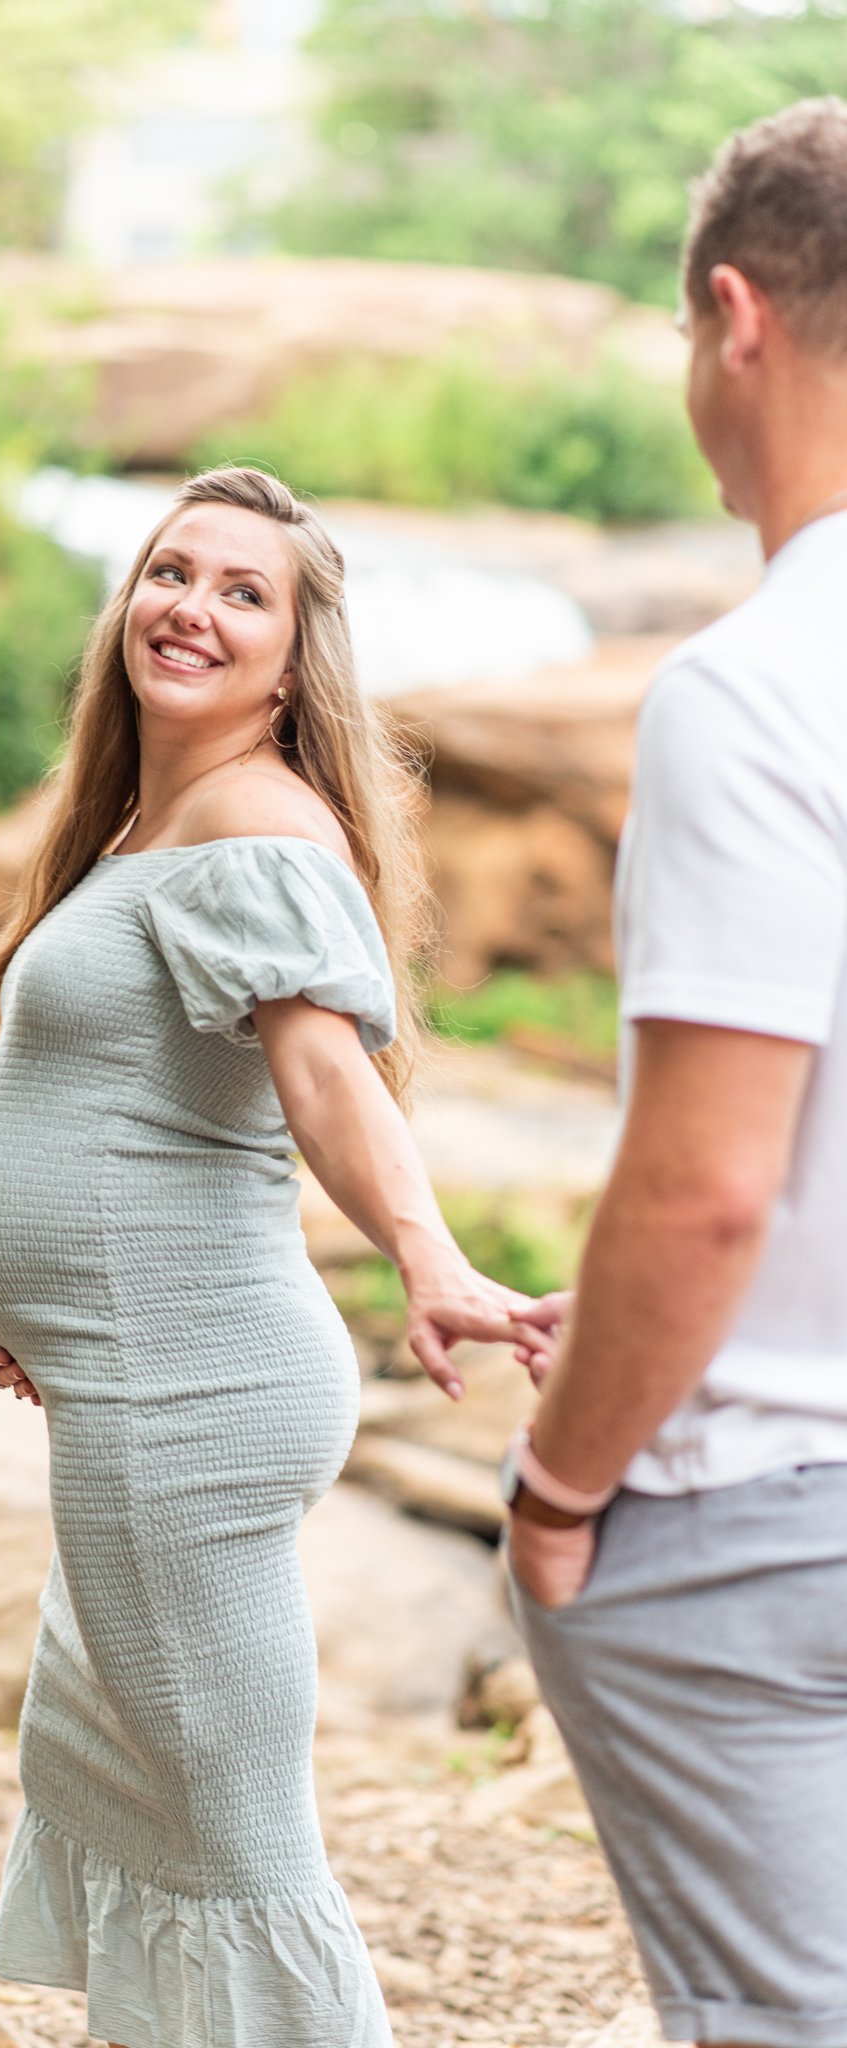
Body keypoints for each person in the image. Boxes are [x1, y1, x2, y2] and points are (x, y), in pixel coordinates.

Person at [0, 465, 550, 2048]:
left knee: (237, 1845)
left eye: (242, 593)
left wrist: (428, 1256)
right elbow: (113, 1098)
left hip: (193, 1384)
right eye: (171, 571)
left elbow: (326, 1073)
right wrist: (38, 1292)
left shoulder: (253, 822)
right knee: (129, 1786)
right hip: (138, 1369)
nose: (192, 608)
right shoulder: (150, 820)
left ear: (294, 663)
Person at [505, 97, 847, 2048]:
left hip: (764, 1521)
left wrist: (562, 1488)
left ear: (735, 316)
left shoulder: (758, 683)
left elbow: (710, 1183)